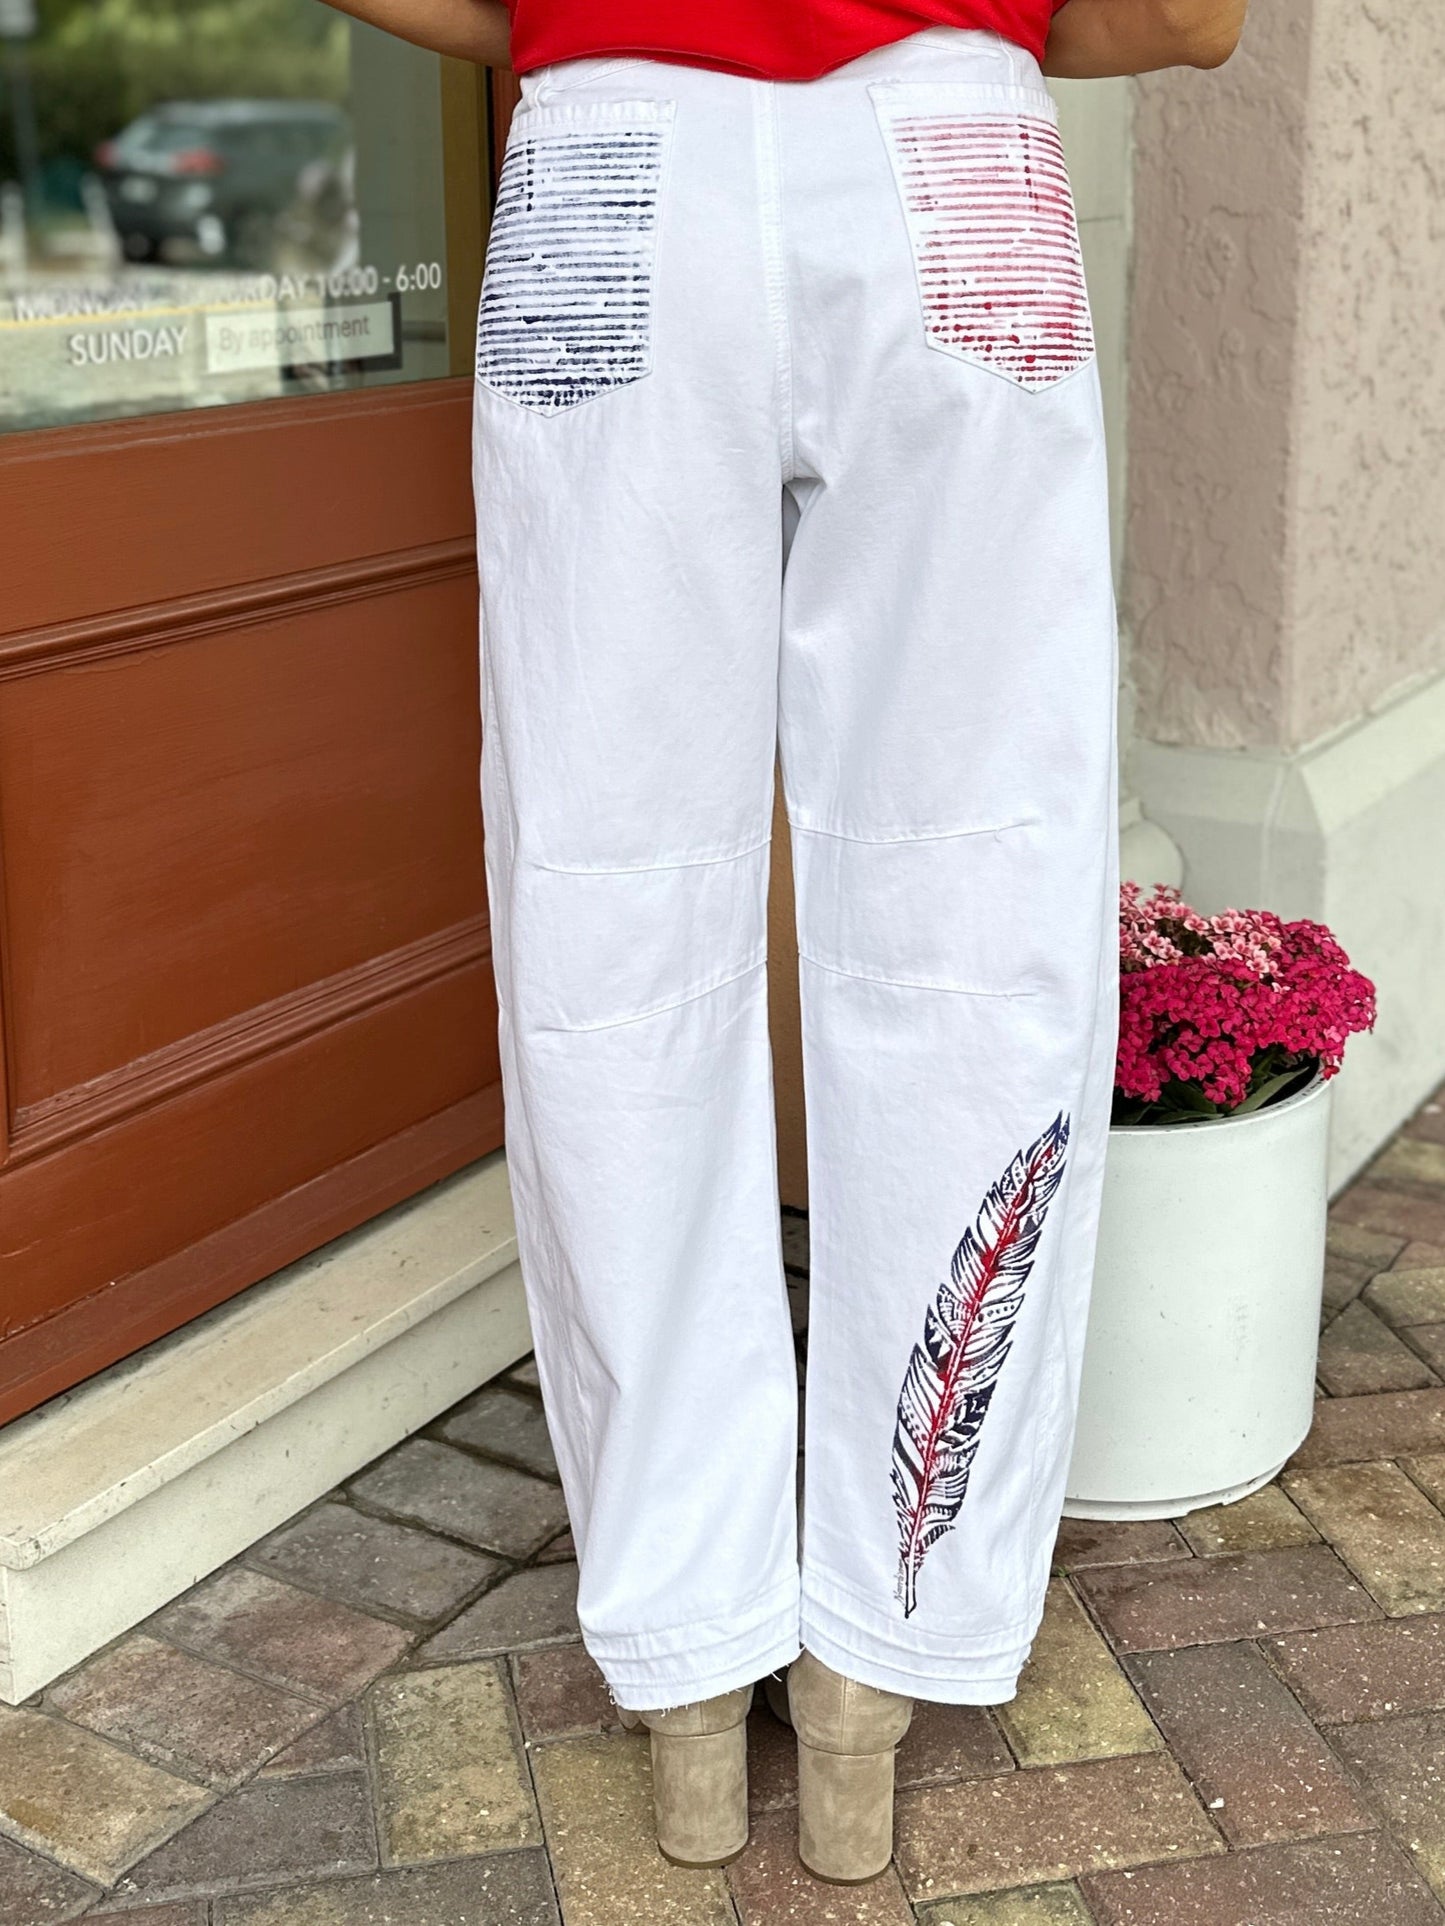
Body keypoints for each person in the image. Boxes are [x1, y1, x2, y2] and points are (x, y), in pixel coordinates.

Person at [325, 0, 1246, 1882]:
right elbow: (1191, 15)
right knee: (974, 909)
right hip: (949, 166)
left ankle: (684, 1662)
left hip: (611, 168)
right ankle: (875, 1664)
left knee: (607, 914)